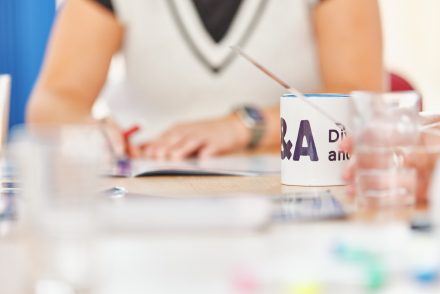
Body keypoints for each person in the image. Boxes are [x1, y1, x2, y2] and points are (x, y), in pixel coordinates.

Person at [27, 0, 384, 160]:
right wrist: (85, 129)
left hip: (288, 190)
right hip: (147, 195)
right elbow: (52, 102)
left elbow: (360, 101)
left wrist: (247, 126)